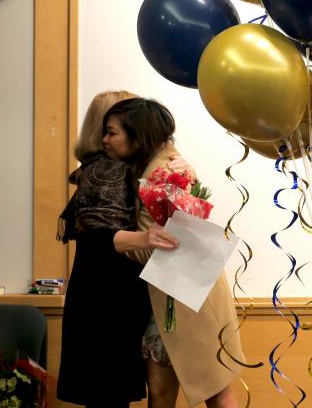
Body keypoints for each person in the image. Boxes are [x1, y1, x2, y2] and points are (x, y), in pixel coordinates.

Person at [56, 93, 181, 407]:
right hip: (106, 302)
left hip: (104, 299)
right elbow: (100, 237)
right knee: (108, 396)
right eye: (109, 129)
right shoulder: (107, 172)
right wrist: (142, 239)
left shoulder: (111, 169)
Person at [124, 109, 246, 408]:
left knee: (211, 389)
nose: (105, 139)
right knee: (194, 389)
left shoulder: (162, 172)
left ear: (139, 136)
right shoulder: (170, 164)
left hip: (180, 295)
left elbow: (155, 245)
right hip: (182, 293)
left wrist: (116, 241)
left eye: (113, 132)